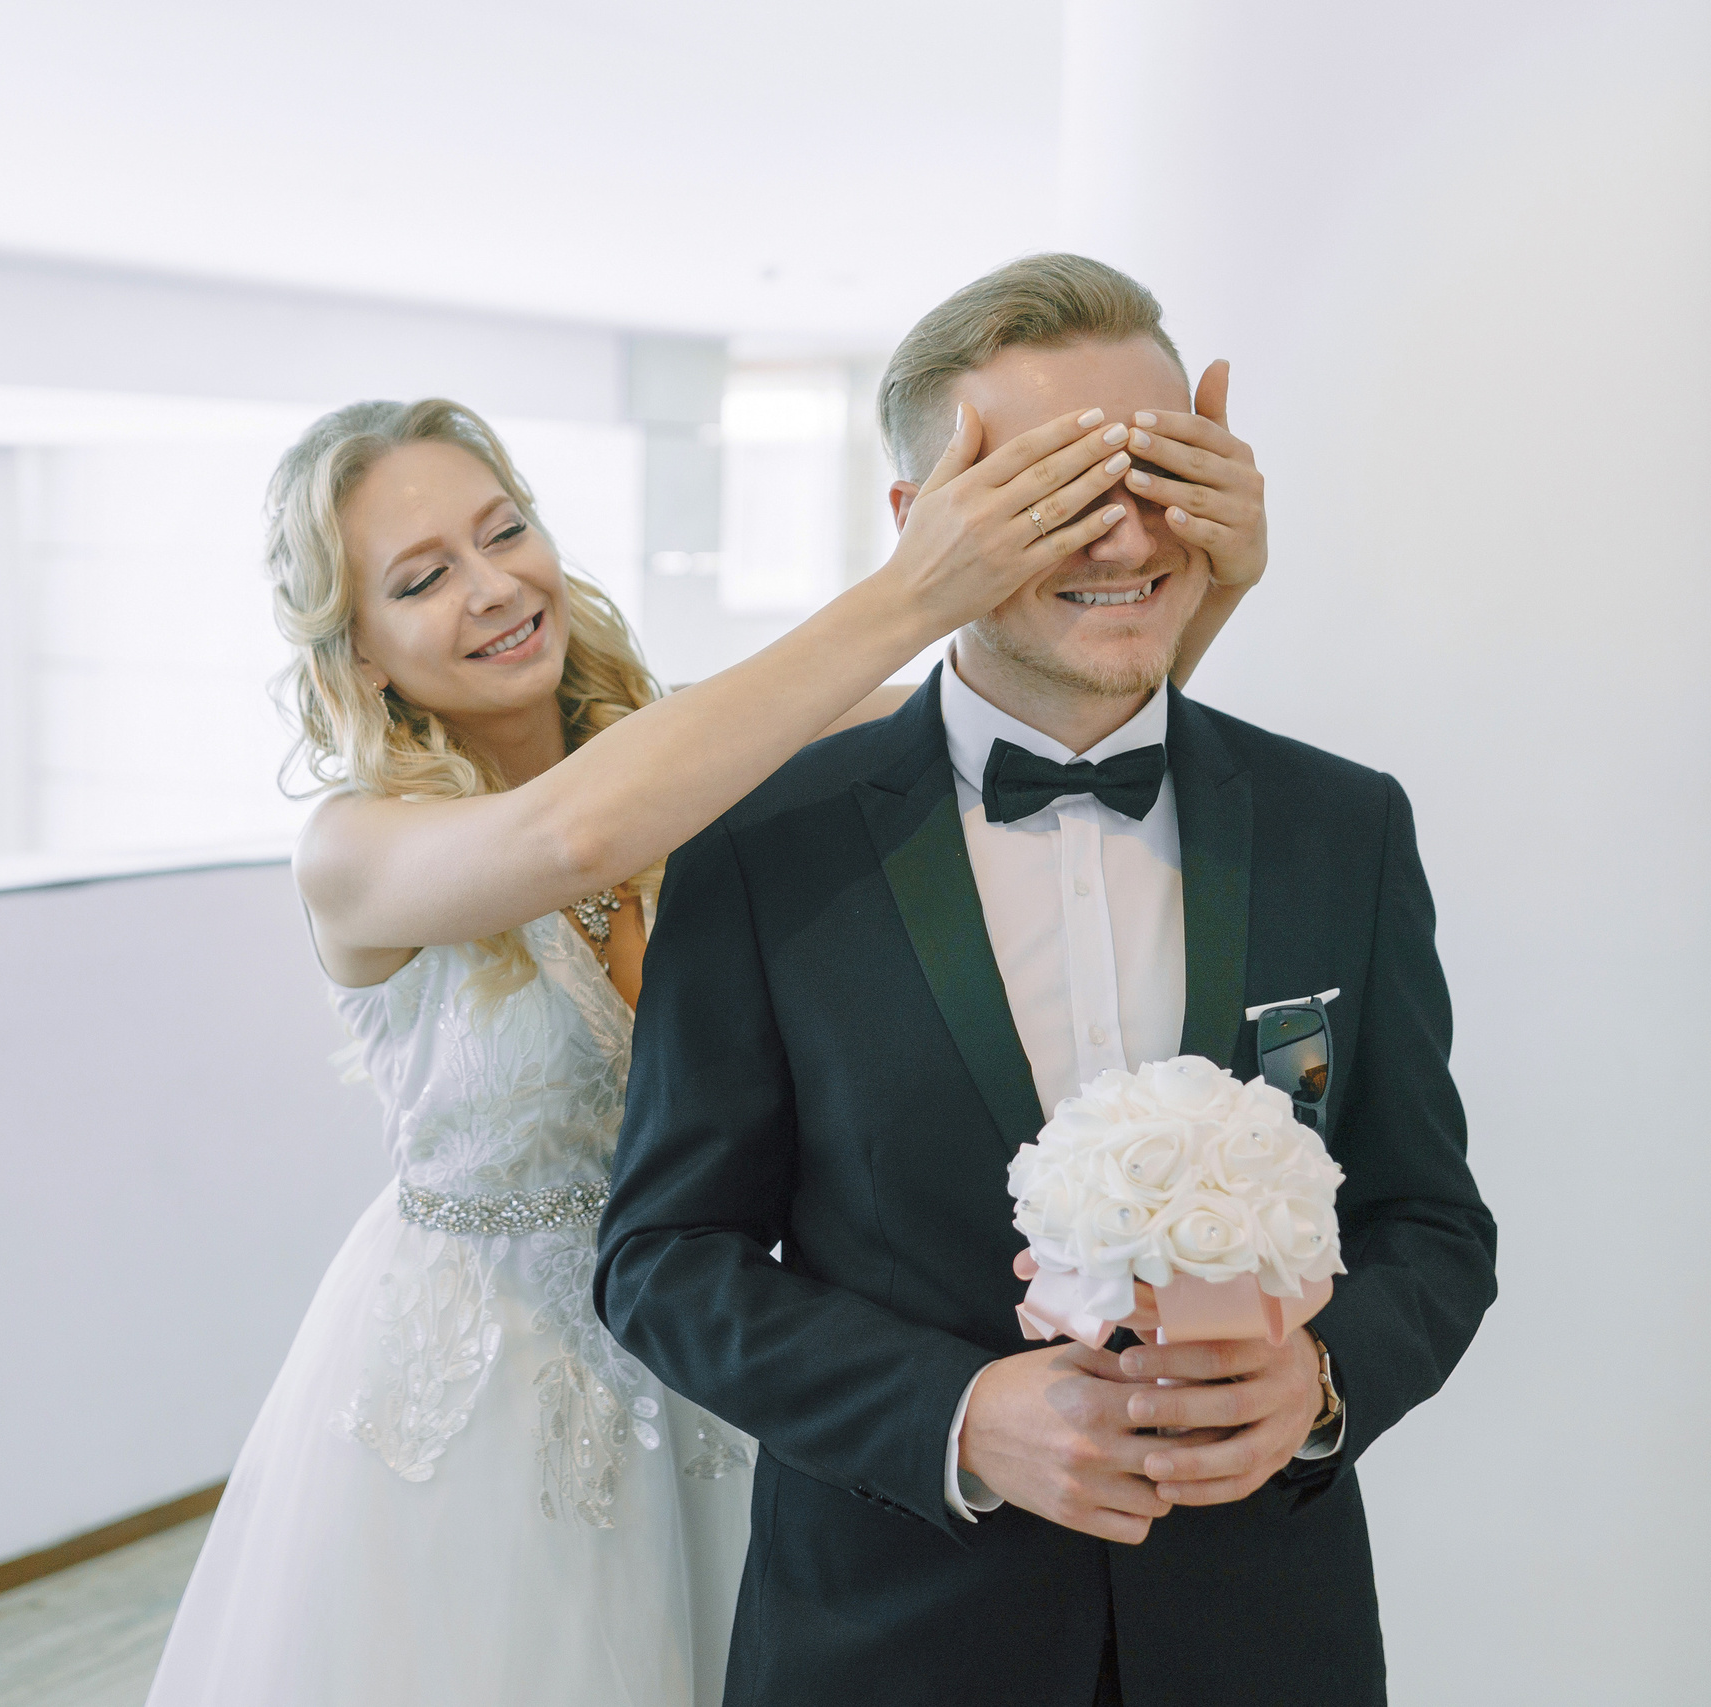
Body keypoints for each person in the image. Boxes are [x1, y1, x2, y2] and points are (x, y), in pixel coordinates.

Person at [145, 364, 1256, 1704]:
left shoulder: (704, 758)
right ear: (358, 646)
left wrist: (1210, 577)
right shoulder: (357, 850)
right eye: (423, 576)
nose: (495, 587)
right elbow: (571, 835)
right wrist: (914, 585)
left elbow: (1048, 715)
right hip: (486, 1405)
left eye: (505, 531)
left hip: (726, 1358)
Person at [595, 253, 1498, 1707]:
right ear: (919, 526)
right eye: (1054, 486)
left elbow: (1432, 1224)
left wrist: (1323, 1387)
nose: (1127, 528)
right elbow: (662, 1259)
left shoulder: (1349, 828)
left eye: (1159, 468)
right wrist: (951, 1415)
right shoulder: (760, 848)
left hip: (1267, 1642)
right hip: (890, 1640)